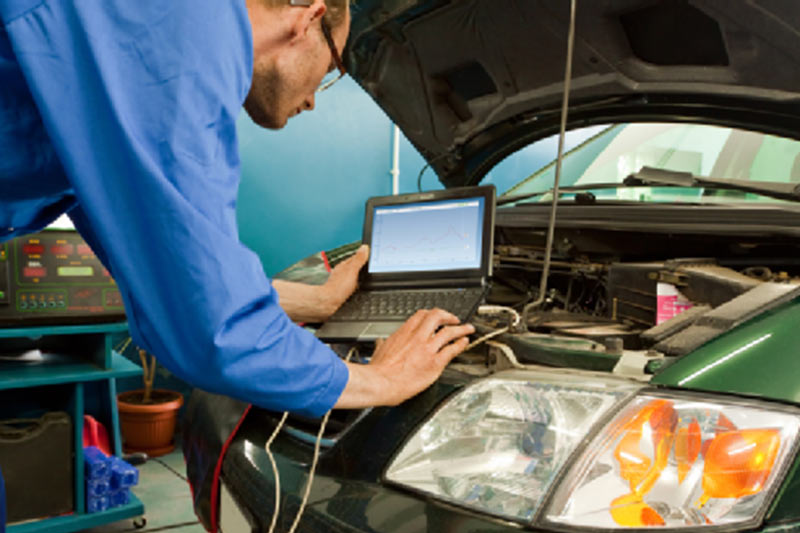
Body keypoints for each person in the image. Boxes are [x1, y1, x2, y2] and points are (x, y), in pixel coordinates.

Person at [0, 0, 475, 417]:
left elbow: (168, 275)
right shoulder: (181, 42)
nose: (312, 100)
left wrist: (319, 302)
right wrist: (385, 380)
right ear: (306, 19)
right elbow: (213, 328)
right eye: (330, 72)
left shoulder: (141, 37)